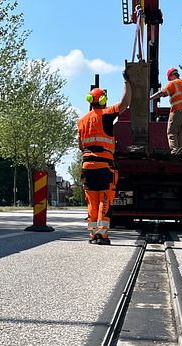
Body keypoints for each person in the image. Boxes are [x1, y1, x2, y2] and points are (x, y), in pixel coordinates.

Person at [77, 72, 132, 245]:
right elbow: (125, 103)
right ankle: (102, 235)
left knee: (92, 202)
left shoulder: (82, 121)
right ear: (102, 101)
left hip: (87, 166)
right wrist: (127, 82)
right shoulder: (107, 114)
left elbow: (80, 146)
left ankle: (93, 235)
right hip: (104, 166)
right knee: (105, 200)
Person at [149, 67, 182, 154]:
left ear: (172, 75)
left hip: (177, 112)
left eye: (169, 78)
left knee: (172, 133)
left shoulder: (173, 83)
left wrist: (149, 98)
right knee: (181, 134)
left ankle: (174, 152)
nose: (169, 80)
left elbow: (161, 93)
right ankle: (181, 152)